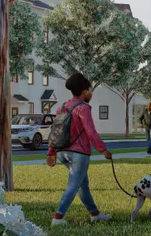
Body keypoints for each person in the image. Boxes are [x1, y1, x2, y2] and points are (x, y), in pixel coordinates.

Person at [47, 73, 112, 226]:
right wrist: (103, 150)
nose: (91, 93)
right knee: (74, 185)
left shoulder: (61, 107)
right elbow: (91, 131)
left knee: (83, 184)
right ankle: (58, 218)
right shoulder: (83, 108)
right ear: (84, 92)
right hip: (79, 154)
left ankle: (95, 214)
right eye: (90, 90)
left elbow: (55, 131)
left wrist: (51, 152)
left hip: (62, 152)